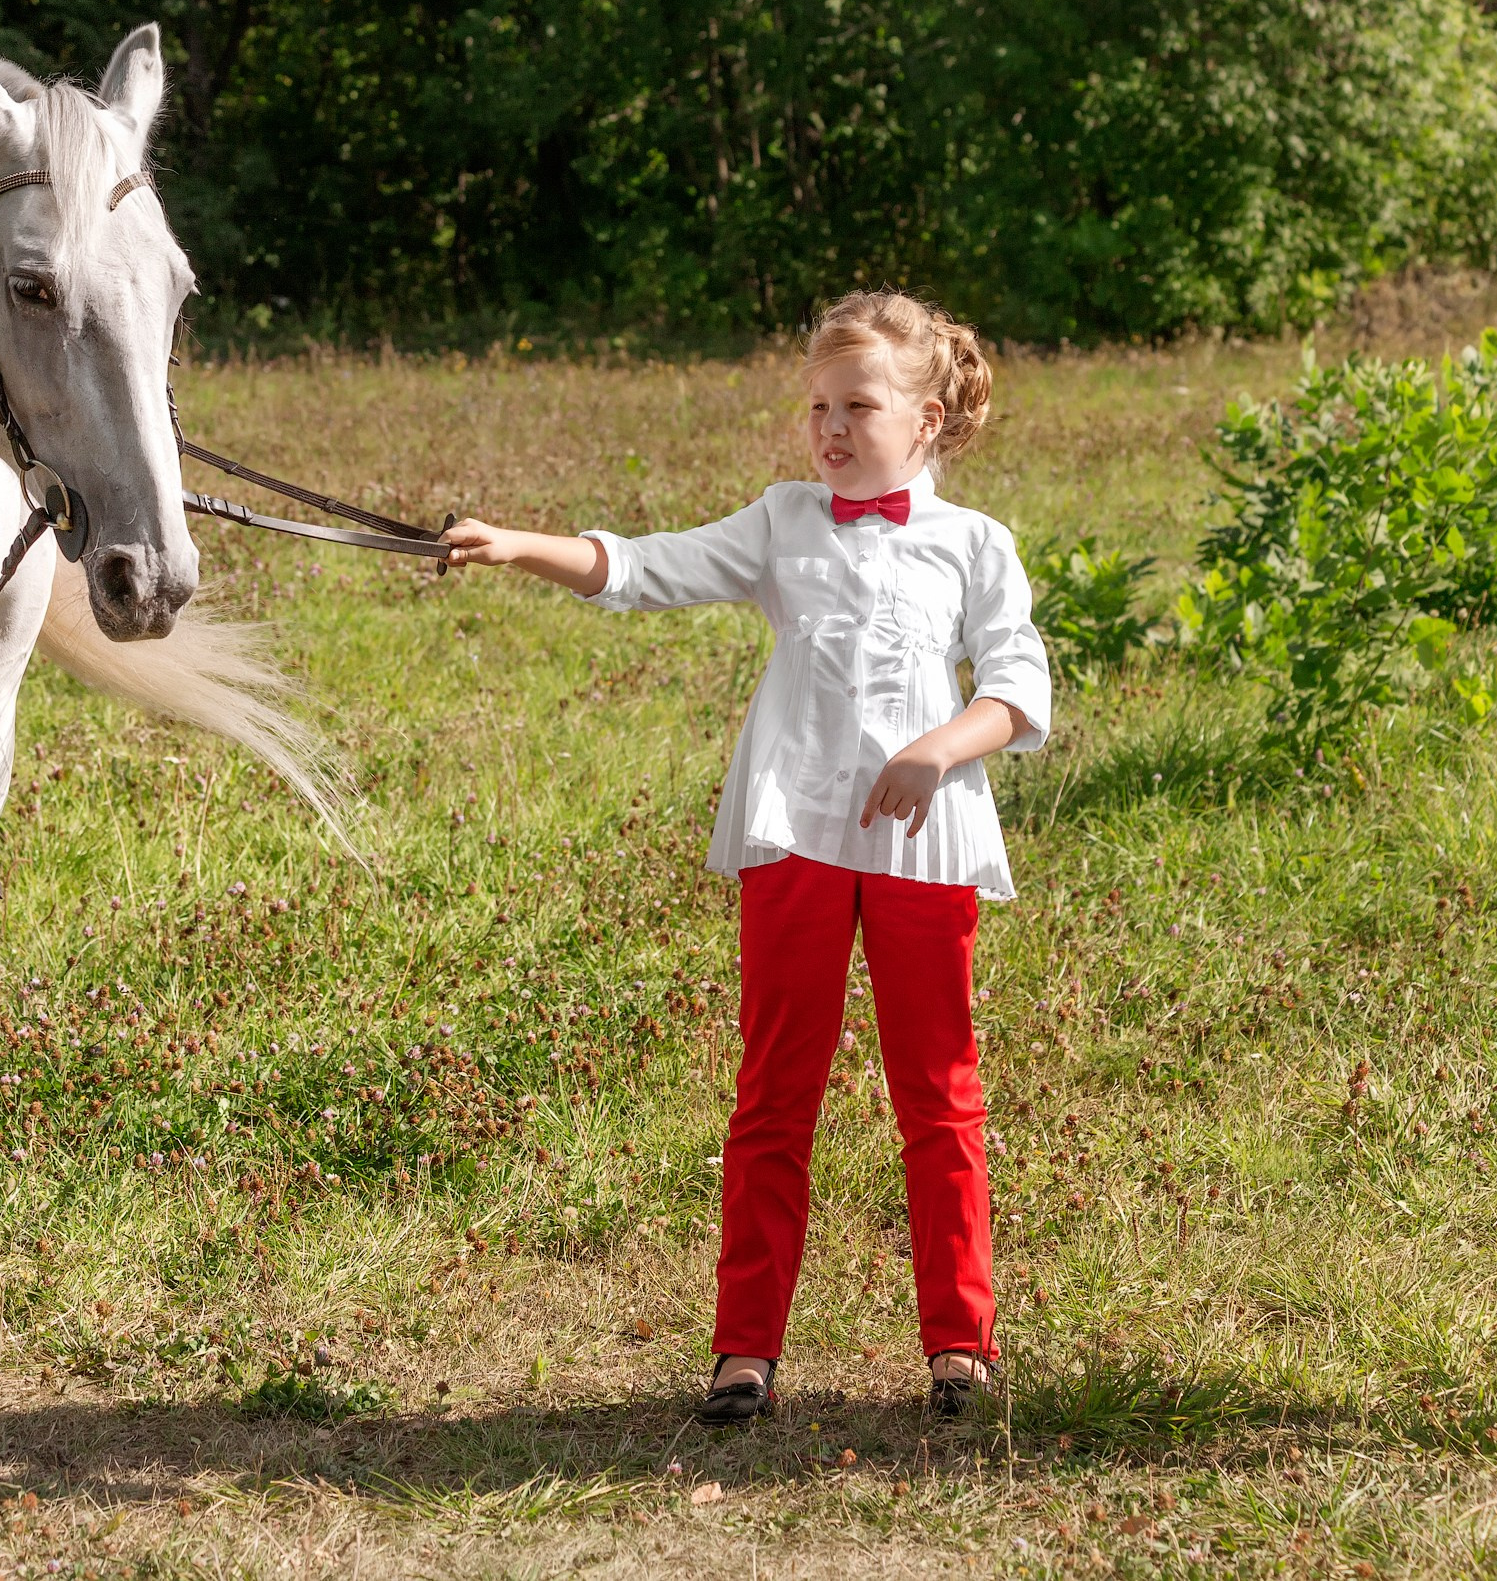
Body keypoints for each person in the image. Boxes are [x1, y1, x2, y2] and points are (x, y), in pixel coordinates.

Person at [440, 291, 1050, 1422]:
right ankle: (743, 1352)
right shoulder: (781, 521)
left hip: (927, 842)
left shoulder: (975, 544)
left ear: (924, 419)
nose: (828, 426)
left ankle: (960, 1342)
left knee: (940, 1097)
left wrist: (937, 748)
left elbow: (1019, 689)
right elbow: (645, 568)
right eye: (815, 405)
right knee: (774, 1096)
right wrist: (516, 543)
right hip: (798, 834)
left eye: (856, 406)